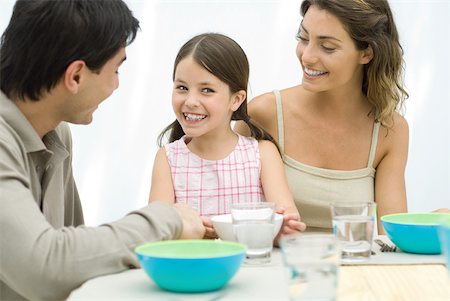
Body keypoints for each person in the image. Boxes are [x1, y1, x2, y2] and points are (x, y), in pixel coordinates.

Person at [0, 1, 204, 300]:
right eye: (116, 69)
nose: (117, 85)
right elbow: (46, 268)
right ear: (76, 76)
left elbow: (76, 261)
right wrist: (166, 219)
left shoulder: (55, 132)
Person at [235, 0, 411, 233]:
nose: (307, 56)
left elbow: (391, 239)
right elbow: (228, 212)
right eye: (303, 37)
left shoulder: (390, 130)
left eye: (327, 47)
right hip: (280, 267)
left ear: (367, 52)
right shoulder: (263, 113)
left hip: (355, 268)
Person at [149, 33, 306, 239]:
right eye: (182, 88)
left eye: (206, 90)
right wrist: (190, 232)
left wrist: (284, 229)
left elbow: (284, 225)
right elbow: (156, 234)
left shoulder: (262, 153)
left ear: (236, 99)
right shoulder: (167, 158)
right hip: (195, 270)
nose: (191, 101)